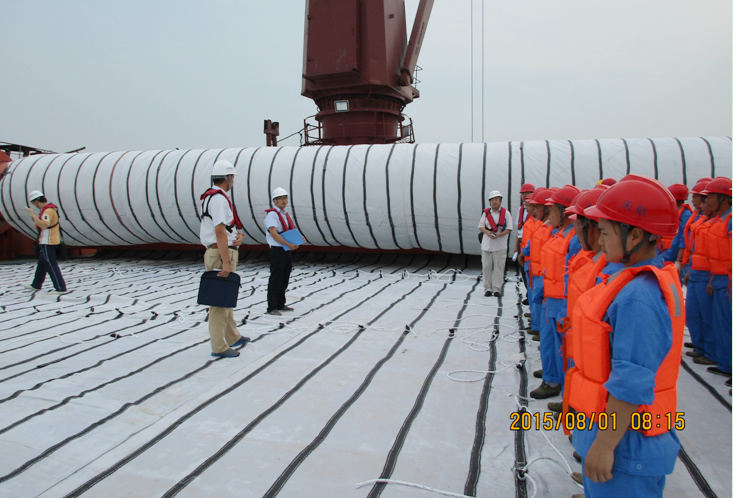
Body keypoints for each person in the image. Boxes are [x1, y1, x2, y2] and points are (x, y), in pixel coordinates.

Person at [564, 174, 684, 497]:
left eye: (605, 232)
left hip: (626, 448)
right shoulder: (632, 283)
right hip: (620, 439)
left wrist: (605, 446)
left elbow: (632, 381)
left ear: (635, 236)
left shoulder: (639, 297)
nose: (600, 241)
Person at [530, 184, 580, 400]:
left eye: (553, 210)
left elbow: (573, 274)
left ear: (564, 212)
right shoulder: (559, 233)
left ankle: (565, 391)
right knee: (549, 342)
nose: (550, 214)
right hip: (550, 297)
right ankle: (552, 377)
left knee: (564, 349)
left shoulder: (574, 240)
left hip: (562, 302)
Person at [199, 160, 249, 358]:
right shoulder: (219, 199)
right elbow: (219, 230)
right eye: (233, 178)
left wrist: (238, 237)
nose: (233, 181)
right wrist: (226, 262)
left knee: (226, 298)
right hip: (221, 254)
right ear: (227, 178)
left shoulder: (211, 197)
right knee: (219, 303)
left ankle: (232, 336)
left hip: (223, 250)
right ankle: (219, 346)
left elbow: (225, 228)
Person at [700, 177, 732, 380]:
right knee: (721, 324)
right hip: (718, 277)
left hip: (728, 279)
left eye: (711, 197)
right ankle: (726, 363)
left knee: (728, 324)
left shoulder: (730, 221)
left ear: (724, 199)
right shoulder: (720, 220)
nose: (707, 201)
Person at [25, 190, 68, 294]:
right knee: (42, 264)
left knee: (51, 265)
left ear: (36, 202)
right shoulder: (51, 209)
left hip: (48, 242)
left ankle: (60, 287)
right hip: (50, 240)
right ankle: (36, 284)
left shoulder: (47, 211)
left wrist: (32, 215)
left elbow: (44, 225)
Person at [265, 187, 300, 315]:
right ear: (274, 201)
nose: (283, 201)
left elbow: (288, 231)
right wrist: (289, 244)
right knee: (276, 278)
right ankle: (272, 306)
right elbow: (274, 234)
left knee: (285, 277)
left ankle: (280, 303)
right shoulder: (272, 215)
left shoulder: (285, 214)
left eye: (285, 198)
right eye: (280, 199)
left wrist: (298, 239)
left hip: (285, 249)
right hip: (277, 250)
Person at [478, 190, 513, 297]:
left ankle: (497, 288)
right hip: (487, 245)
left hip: (500, 245)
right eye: (493, 200)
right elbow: (481, 226)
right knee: (486, 267)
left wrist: (499, 235)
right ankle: (487, 288)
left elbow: (509, 228)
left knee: (499, 267)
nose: (495, 202)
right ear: (490, 201)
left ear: (500, 201)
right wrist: (488, 232)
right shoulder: (486, 213)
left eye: (497, 199)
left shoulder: (506, 213)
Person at [658, 183, 692, 263]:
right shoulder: (668, 212)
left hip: (672, 255)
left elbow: (683, 238)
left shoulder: (685, 214)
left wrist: (678, 260)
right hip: (662, 253)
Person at [514, 183, 535, 297]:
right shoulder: (521, 209)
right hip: (522, 241)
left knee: (531, 270)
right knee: (523, 270)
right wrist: (516, 247)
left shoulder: (536, 210)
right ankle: (528, 293)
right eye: (523, 193)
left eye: (527, 193)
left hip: (531, 243)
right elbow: (519, 229)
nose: (525, 195)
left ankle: (531, 294)